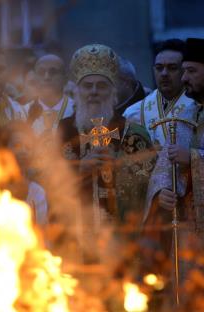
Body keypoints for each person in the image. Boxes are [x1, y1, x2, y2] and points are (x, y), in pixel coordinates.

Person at [144, 38, 204, 258]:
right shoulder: (186, 113)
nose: (184, 78)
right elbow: (166, 164)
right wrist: (163, 191)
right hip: (187, 229)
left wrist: (194, 158)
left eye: (191, 71)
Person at [59, 43, 155, 225]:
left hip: (121, 234)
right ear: (78, 91)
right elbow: (49, 178)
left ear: (112, 91)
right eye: (87, 86)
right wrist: (79, 169)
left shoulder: (132, 133)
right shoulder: (63, 131)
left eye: (101, 85)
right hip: (76, 235)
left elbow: (148, 185)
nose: (94, 92)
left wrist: (118, 167)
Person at [124, 39, 197, 147]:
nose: (164, 73)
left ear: (185, 70)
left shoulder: (198, 107)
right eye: (159, 68)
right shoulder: (134, 112)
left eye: (172, 68)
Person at [27, 54, 74, 135]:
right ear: (34, 79)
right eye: (41, 72)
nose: (46, 77)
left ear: (65, 79)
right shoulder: (23, 112)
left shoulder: (76, 111)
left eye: (53, 72)